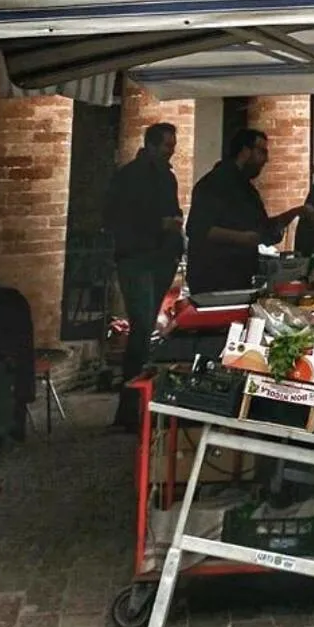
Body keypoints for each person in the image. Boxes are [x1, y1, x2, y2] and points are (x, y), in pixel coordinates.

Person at [103, 120, 184, 431]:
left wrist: (174, 229)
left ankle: (140, 406)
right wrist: (159, 225)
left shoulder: (167, 177)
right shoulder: (128, 177)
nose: (170, 152)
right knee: (140, 331)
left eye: (173, 147)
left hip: (161, 257)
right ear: (150, 146)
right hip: (137, 258)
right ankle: (130, 410)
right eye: (166, 146)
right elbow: (116, 217)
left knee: (147, 329)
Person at [185, 127, 307, 295]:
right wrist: (242, 238)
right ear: (245, 151)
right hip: (214, 276)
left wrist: (295, 213)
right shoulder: (215, 183)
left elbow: (264, 229)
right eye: (261, 152)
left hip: (238, 273)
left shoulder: (246, 189)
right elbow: (197, 228)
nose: (266, 159)